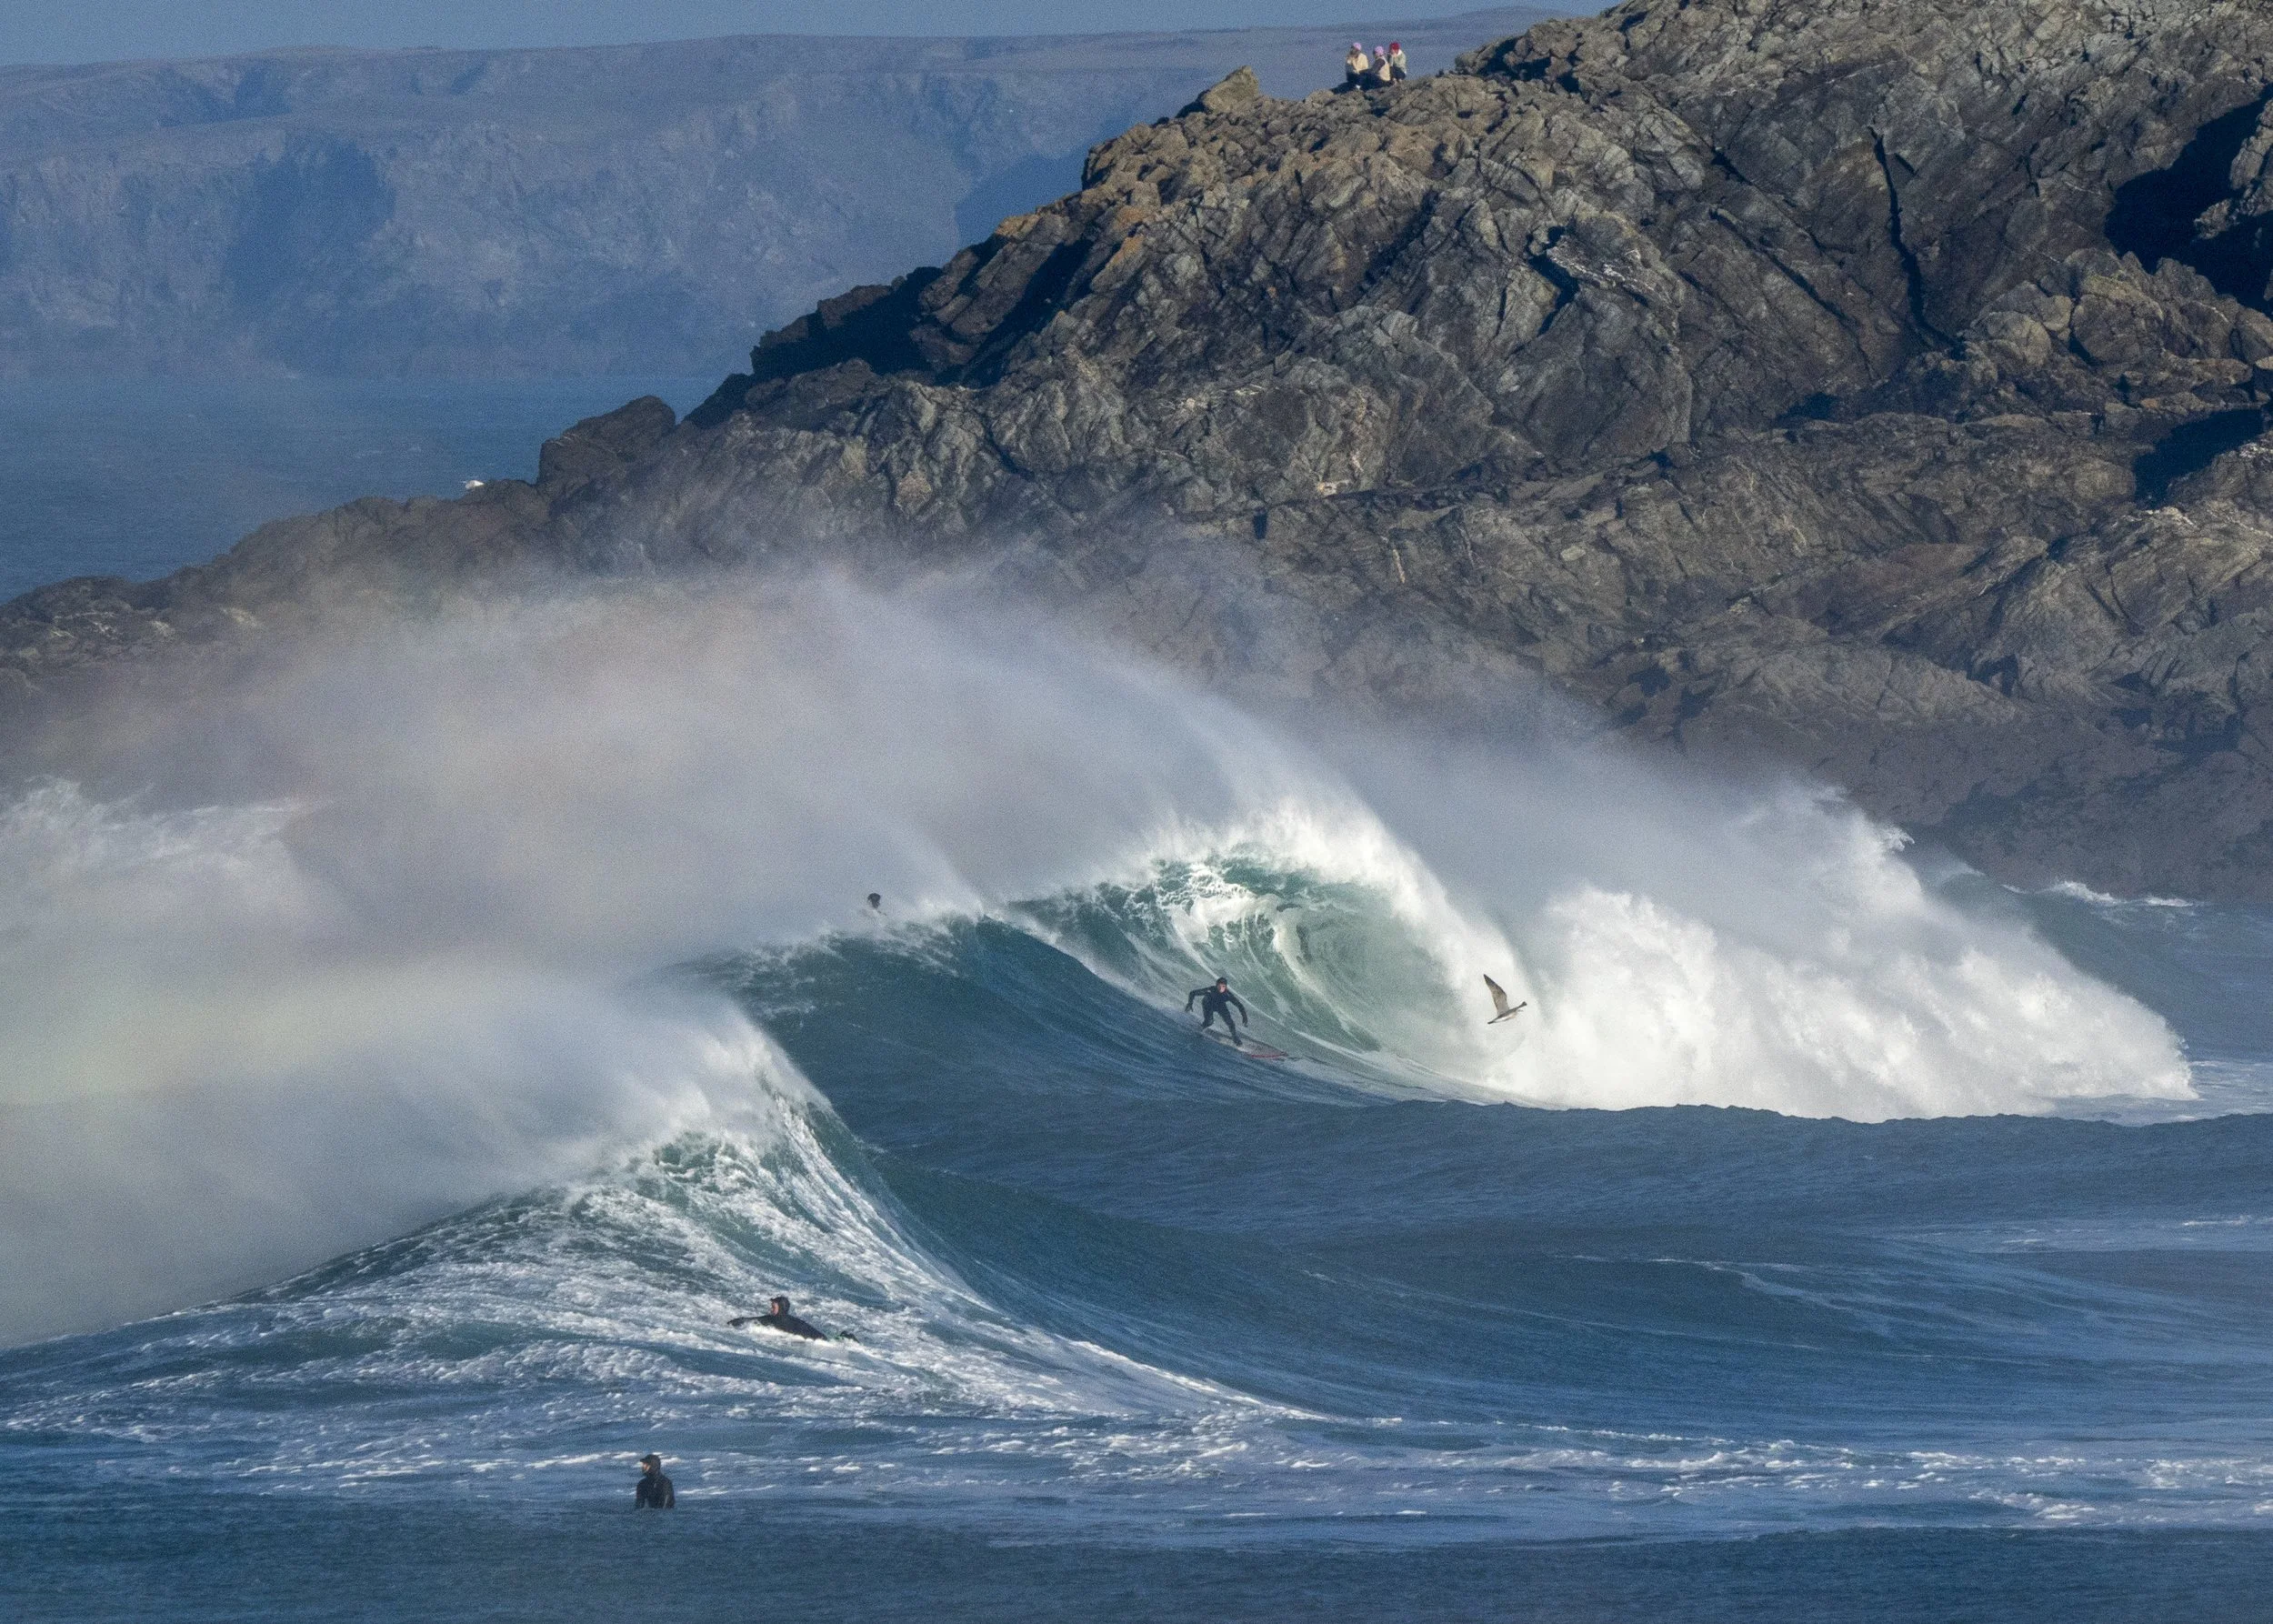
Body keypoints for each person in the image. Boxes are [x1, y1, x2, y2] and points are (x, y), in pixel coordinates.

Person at [731, 1295, 829, 1339]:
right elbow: (752, 1320)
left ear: (781, 1308)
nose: (771, 1310)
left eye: (773, 1307)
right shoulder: (771, 1319)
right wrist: (735, 1322)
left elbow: (815, 1335)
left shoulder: (794, 1323)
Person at [1186, 976, 1248, 1042]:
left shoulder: (1228, 994)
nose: (1221, 988)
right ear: (1216, 985)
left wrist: (1244, 1016)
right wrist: (1190, 1003)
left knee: (1230, 1023)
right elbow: (1193, 993)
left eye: (1223, 986)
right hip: (1208, 1004)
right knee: (1209, 1022)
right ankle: (1199, 1029)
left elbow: (1239, 1005)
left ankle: (1234, 1037)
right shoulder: (1211, 990)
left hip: (1220, 1006)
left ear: (1226, 987)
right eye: (1219, 986)